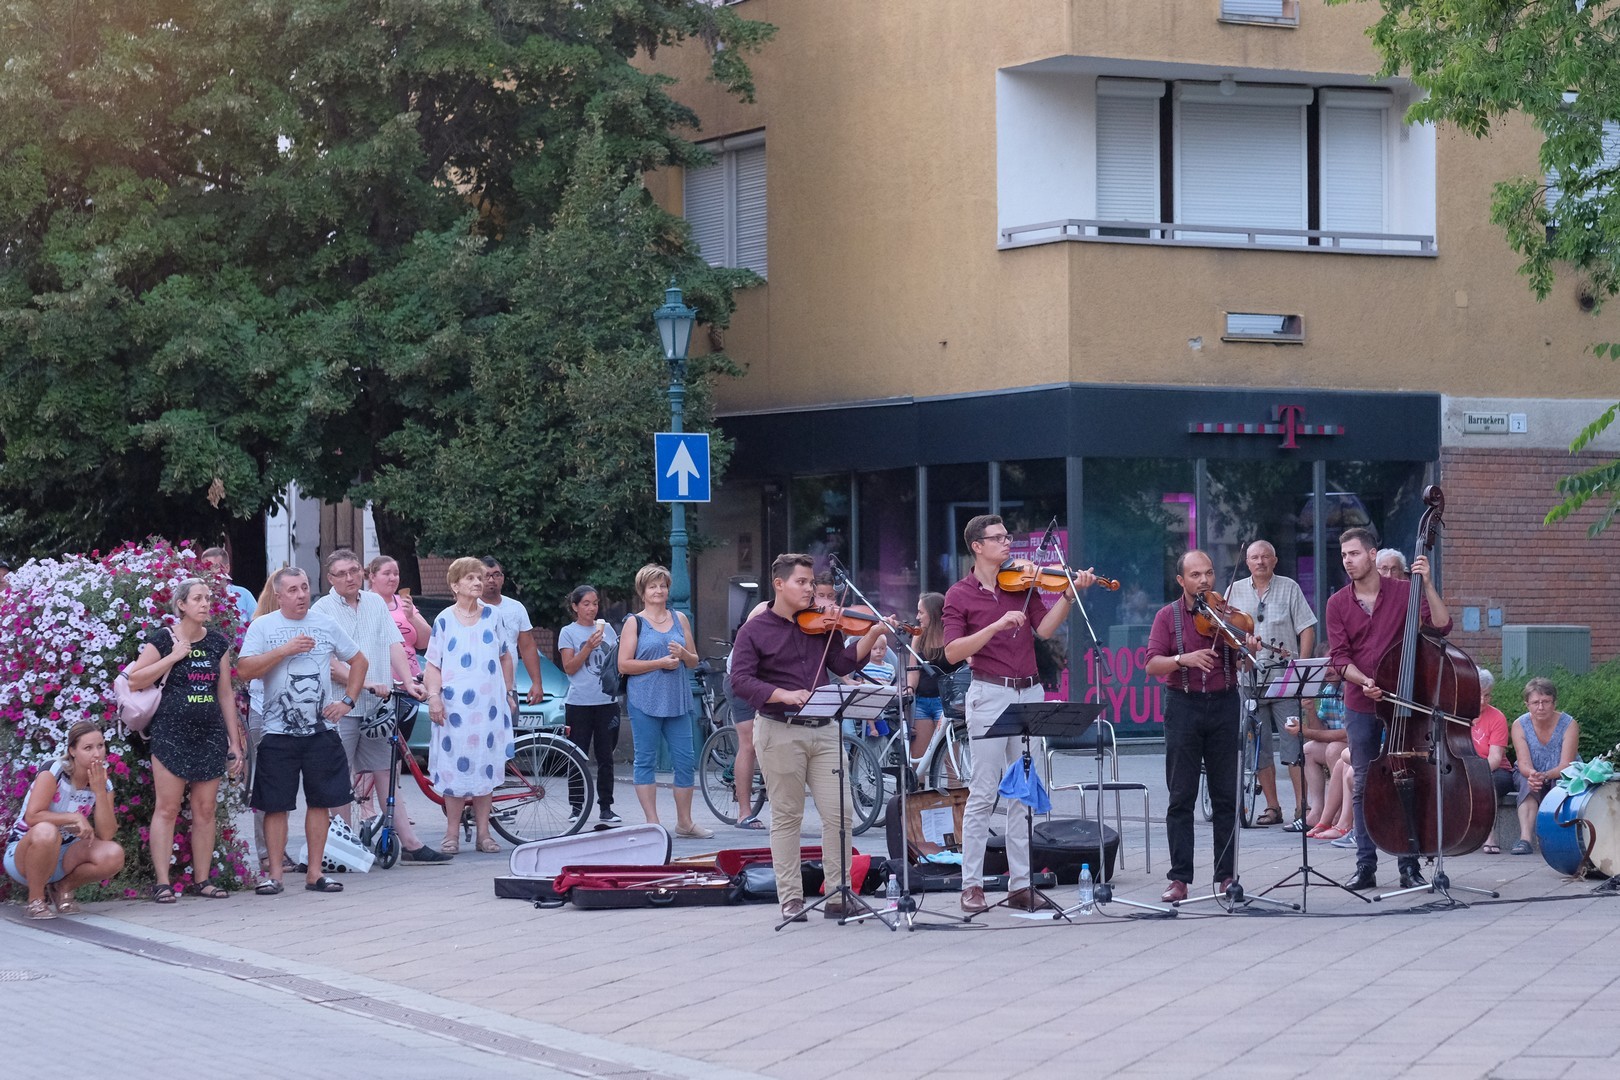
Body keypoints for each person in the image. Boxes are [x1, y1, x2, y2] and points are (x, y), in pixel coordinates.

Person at [944, 515, 1094, 914]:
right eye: (997, 538)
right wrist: (994, 627)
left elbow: (1044, 630)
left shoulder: (1021, 584)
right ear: (977, 546)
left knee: (1023, 795)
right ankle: (971, 885)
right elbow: (953, 652)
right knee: (984, 792)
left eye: (1007, 536)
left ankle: (1021, 884)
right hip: (989, 692)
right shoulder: (959, 594)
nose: (1007, 542)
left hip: (1029, 690)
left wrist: (1068, 596)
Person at [730, 552, 887, 921]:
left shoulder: (820, 624)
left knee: (840, 814)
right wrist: (782, 694)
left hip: (825, 729)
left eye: (811, 582)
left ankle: (838, 894)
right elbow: (740, 680)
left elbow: (842, 664)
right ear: (779, 584)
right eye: (801, 582)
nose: (809, 589)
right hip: (779, 729)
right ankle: (791, 898)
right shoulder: (754, 630)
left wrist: (873, 633)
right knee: (788, 816)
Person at [1325, 526, 1451, 891]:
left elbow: (1442, 626)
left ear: (1371, 554)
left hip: (1404, 701)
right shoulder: (1337, 603)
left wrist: (1428, 585)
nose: (1347, 561)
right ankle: (1365, 865)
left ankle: (1408, 864)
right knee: (1364, 782)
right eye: (1343, 555)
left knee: (1404, 778)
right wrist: (1364, 680)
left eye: (1353, 553)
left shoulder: (1405, 592)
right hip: (1361, 702)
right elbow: (1339, 658)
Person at [237, 566, 366, 895]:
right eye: (293, 590)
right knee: (276, 804)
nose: (301, 595)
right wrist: (284, 650)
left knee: (320, 802)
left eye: (305, 588)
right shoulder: (263, 626)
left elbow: (359, 661)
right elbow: (244, 670)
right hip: (276, 732)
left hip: (321, 731)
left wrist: (347, 701)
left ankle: (315, 873)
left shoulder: (325, 623)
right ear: (278, 595)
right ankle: (275, 875)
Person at [312, 550, 444, 863]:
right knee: (340, 776)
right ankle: (345, 845)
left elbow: (393, 643)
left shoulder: (374, 603)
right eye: (341, 573)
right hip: (340, 706)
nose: (349, 578)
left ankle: (409, 842)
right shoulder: (322, 609)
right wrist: (367, 683)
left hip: (377, 706)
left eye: (353, 571)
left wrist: (409, 681)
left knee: (386, 772)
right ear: (330, 579)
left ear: (362, 572)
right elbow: (329, 662)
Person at [124, 578, 245, 901]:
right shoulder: (164, 639)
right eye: (197, 598)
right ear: (181, 604)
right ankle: (162, 882)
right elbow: (134, 679)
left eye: (207, 598)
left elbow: (224, 693)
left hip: (209, 734)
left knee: (205, 809)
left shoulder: (217, 642)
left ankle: (202, 880)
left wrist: (234, 742)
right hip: (170, 734)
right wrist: (173, 657)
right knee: (167, 808)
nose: (205, 604)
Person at [1145, 549, 1242, 904]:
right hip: (1183, 706)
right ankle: (1179, 878)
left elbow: (1243, 660)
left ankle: (1226, 875)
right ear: (1181, 580)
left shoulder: (1226, 613)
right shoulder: (1166, 616)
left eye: (1209, 573)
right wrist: (1182, 658)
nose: (1204, 581)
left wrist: (1247, 648)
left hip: (1224, 704)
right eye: (1196, 575)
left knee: (1225, 796)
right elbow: (1151, 664)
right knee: (1181, 796)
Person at [425, 558, 517, 854]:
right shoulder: (444, 619)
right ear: (455, 585)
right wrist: (434, 697)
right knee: (454, 770)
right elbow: (433, 664)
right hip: (453, 710)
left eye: (480, 577)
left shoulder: (493, 616)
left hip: (488, 708)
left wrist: (509, 692)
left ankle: (484, 834)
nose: (478, 582)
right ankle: (451, 834)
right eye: (471, 578)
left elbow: (505, 656)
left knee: (484, 769)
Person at [1224, 540, 1318, 830]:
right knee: (1259, 747)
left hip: (1284, 679)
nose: (1260, 561)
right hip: (1249, 680)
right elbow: (1225, 634)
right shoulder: (1233, 590)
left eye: (1265, 557)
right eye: (1254, 557)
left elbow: (1307, 628)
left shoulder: (1289, 587)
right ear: (1247, 562)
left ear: (1274, 561)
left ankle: (1303, 807)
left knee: (1293, 744)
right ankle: (1272, 806)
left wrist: (1301, 668)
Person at [618, 564, 712, 838]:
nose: (659, 590)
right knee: (645, 759)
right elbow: (624, 665)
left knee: (685, 760)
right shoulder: (634, 622)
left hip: (677, 700)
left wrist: (683, 653)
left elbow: (694, 660)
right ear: (643, 592)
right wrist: (659, 662)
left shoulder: (680, 618)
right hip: (644, 699)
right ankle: (653, 823)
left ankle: (685, 822)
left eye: (663, 585)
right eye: (653, 586)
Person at [4, 722, 126, 919]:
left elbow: (106, 834)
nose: (97, 754)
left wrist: (99, 792)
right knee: (46, 830)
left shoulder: (104, 783)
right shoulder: (54, 771)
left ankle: (63, 887)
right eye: (88, 748)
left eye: (100, 746)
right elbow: (33, 816)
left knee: (113, 854)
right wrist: (74, 817)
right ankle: (36, 900)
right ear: (72, 751)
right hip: (24, 853)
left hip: (64, 856)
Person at [558, 585, 621, 824]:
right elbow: (570, 667)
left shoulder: (608, 630)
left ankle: (606, 807)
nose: (592, 608)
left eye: (595, 603)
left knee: (606, 756)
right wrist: (587, 647)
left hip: (607, 701)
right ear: (575, 607)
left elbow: (616, 662)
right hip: (579, 703)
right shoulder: (568, 632)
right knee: (577, 755)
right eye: (586, 604)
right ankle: (577, 807)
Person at [1509, 677, 1580, 855]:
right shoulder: (1519, 725)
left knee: (1562, 783)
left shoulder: (1569, 724)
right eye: (1535, 702)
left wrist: (1546, 775)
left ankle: (1559, 840)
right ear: (1527, 704)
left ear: (1554, 703)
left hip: (1562, 771)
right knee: (1526, 782)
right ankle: (1525, 839)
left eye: (1546, 701)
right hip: (1531, 771)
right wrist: (1533, 775)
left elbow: (1566, 764)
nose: (1540, 707)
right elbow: (1523, 762)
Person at [480, 557, 544, 706]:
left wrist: (537, 683)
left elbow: (527, 647)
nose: (491, 580)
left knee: (510, 722)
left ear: (502, 578)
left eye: (496, 575)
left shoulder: (516, 608)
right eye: (486, 575)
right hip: (478, 688)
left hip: (508, 688)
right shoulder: (470, 608)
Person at [907, 592, 961, 763]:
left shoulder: (952, 635)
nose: (917, 617)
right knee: (919, 760)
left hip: (946, 702)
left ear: (933, 613)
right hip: (922, 700)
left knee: (951, 760)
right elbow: (913, 670)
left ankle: (954, 783)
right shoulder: (919, 636)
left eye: (921, 612)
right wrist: (910, 688)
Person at [1471, 667, 1515, 854]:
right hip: (1463, 768)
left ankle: (1489, 836)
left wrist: (1474, 774)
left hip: (1495, 770)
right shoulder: (1455, 715)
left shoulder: (1497, 717)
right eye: (1479, 694)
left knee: (1490, 783)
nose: (1483, 700)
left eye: (1487, 695)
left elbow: (1495, 758)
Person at [366, 555, 431, 678]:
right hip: (380, 681)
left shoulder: (403, 602)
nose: (392, 578)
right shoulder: (363, 603)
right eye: (386, 574)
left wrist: (411, 617)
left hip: (413, 680)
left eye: (396, 574)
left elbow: (427, 642)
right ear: (372, 577)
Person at [200, 546, 256, 627]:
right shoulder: (200, 596)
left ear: (227, 568)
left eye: (215, 567)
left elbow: (258, 623)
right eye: (205, 569)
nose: (209, 572)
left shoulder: (244, 594)